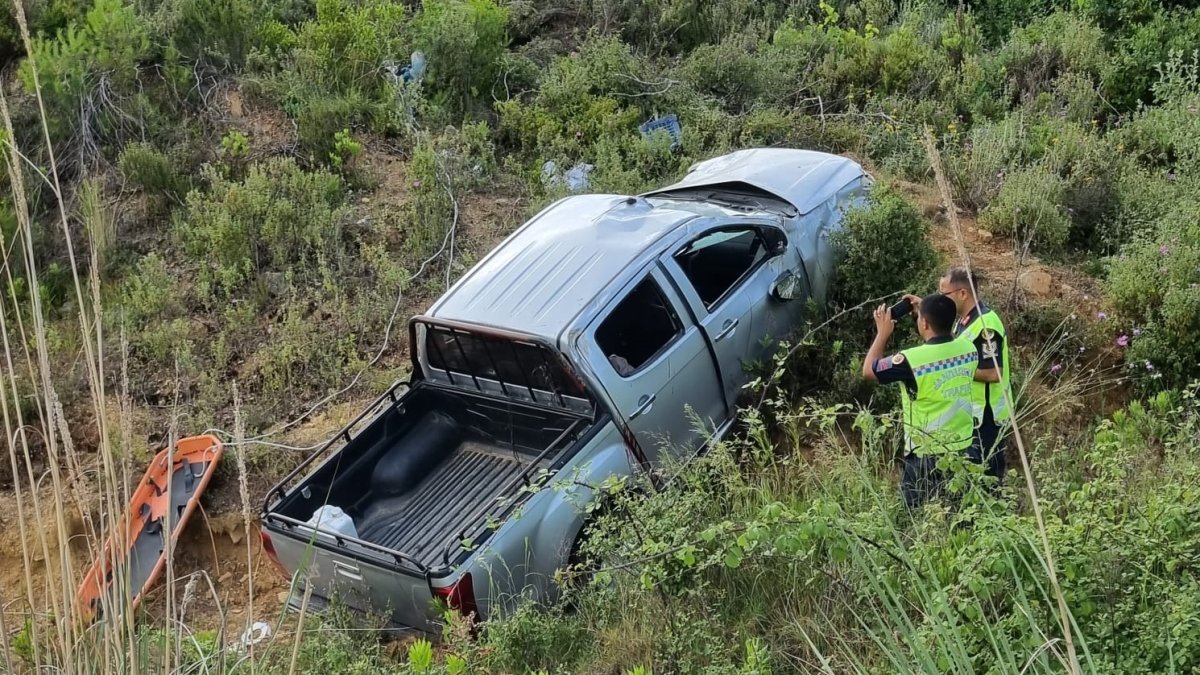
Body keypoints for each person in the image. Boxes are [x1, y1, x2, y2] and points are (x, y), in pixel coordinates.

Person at [862, 294, 979, 508]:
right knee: (959, 518)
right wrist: (927, 309)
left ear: (924, 323)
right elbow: (944, 339)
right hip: (963, 450)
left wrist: (882, 334)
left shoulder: (911, 360)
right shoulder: (969, 350)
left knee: (914, 520)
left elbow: (869, 370)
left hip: (925, 455)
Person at [916, 267, 1013, 483]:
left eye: (944, 294)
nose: (941, 298)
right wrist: (925, 309)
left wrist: (957, 370)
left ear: (962, 294)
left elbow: (992, 373)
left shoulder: (986, 326)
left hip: (988, 418)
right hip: (972, 417)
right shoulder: (964, 320)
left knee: (987, 480)